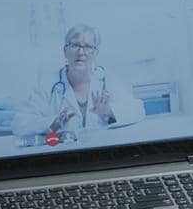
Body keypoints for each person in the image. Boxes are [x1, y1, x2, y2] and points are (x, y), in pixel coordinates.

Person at [13, 24, 145, 138]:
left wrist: (109, 111)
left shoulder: (106, 79)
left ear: (95, 53)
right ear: (65, 51)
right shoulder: (49, 84)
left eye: (87, 46)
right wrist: (55, 122)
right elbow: (19, 124)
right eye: (75, 45)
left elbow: (138, 110)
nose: (81, 52)